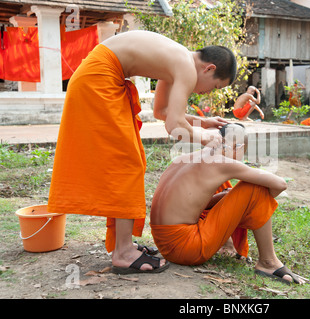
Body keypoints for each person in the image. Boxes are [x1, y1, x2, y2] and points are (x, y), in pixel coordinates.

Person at [48, 30, 237, 274]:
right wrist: (208, 139)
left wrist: (204, 122)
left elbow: (162, 112)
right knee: (127, 164)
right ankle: (124, 252)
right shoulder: (186, 68)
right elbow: (175, 126)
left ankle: (123, 245)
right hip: (99, 79)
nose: (206, 93)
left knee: (130, 161)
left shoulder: (178, 60)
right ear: (209, 69)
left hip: (98, 76)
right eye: (215, 87)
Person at [150, 123, 308, 285]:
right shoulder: (221, 162)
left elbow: (188, 203)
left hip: (164, 244)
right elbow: (280, 184)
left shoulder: (186, 158)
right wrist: (254, 204)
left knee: (225, 188)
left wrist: (225, 199)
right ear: (238, 147)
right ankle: (268, 262)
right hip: (186, 249)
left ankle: (228, 245)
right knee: (256, 188)